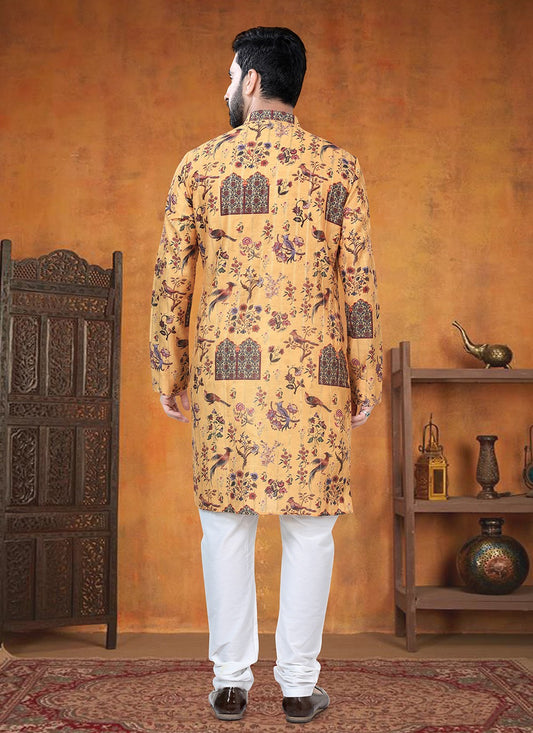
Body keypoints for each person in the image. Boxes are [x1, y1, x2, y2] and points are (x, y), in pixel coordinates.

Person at [150, 26, 382, 724]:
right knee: (311, 532)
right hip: (317, 380)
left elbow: (171, 279)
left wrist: (168, 368)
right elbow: (359, 284)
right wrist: (365, 377)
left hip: (226, 380)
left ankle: (230, 682)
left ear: (251, 80)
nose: (225, 87)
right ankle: (298, 686)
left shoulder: (200, 165)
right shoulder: (338, 168)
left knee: (225, 528)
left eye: (230, 75)